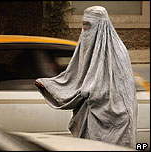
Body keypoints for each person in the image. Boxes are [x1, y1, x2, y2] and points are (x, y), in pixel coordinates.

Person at [35, 6, 137, 148]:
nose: (86, 30)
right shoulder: (85, 48)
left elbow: (122, 92)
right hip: (88, 118)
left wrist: (90, 91)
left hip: (115, 123)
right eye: (83, 25)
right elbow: (73, 76)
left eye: (89, 26)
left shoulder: (118, 53)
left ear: (102, 26)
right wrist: (51, 85)